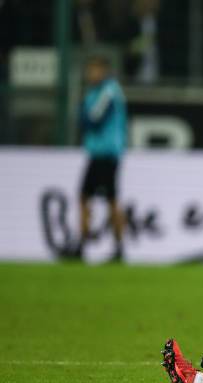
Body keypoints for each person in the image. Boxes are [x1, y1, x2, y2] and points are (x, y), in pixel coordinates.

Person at [75, 56, 127, 261]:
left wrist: (82, 112)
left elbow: (92, 119)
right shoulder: (93, 93)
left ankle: (119, 246)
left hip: (108, 153)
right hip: (95, 153)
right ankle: (81, 244)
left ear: (103, 71)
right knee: (83, 197)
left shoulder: (109, 90)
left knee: (111, 200)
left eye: (95, 70)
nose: (91, 74)